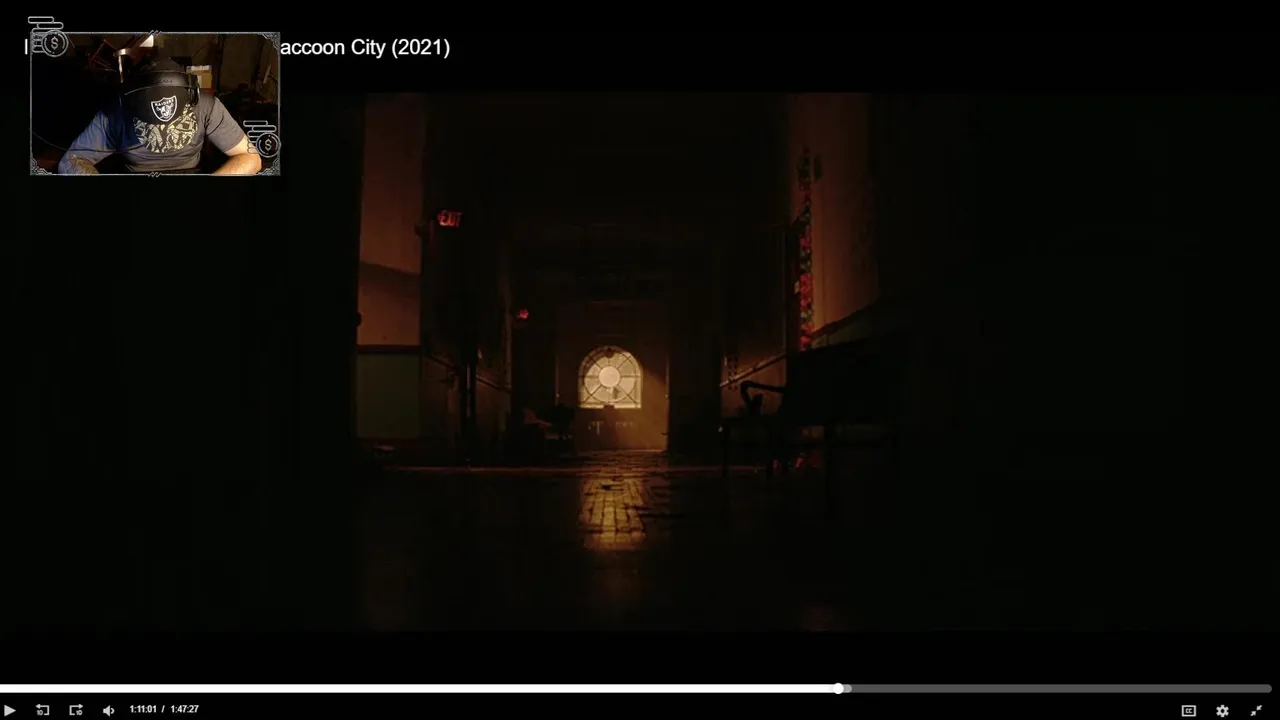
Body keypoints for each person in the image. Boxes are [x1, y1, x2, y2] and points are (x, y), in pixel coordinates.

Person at [58, 56, 262, 175]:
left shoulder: (206, 105)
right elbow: (70, 161)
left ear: (190, 94)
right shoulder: (115, 112)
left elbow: (251, 158)